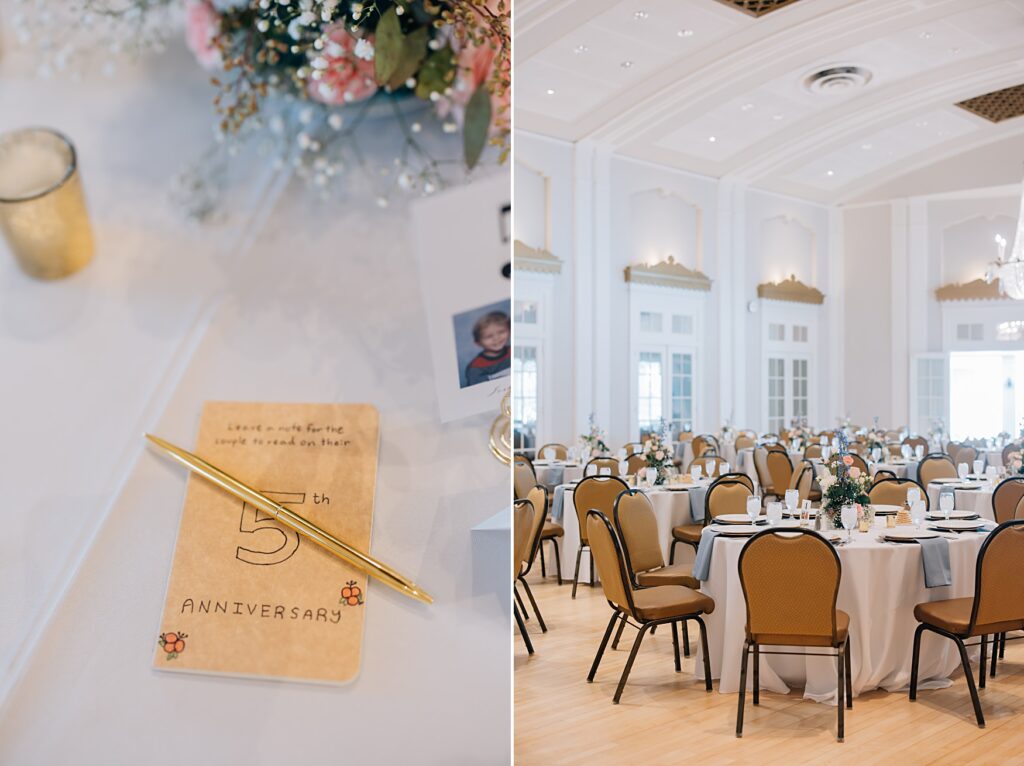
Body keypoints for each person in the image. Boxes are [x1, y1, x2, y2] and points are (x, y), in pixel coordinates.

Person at [464, 311, 510, 387]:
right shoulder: (475, 367)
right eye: (489, 336)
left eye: (501, 332)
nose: (496, 338)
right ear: (478, 343)